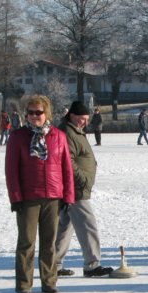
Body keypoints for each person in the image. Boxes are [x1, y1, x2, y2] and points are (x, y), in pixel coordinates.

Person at [5, 95, 75, 293]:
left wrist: (68, 197)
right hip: (28, 198)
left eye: (39, 112)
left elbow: (67, 169)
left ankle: (49, 281)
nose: (35, 116)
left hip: (53, 196)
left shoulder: (58, 136)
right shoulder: (18, 137)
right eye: (31, 112)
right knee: (26, 243)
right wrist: (15, 197)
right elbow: (11, 170)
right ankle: (24, 285)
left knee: (49, 243)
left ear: (47, 114)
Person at [55, 101, 113, 278]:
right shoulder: (67, 132)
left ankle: (53, 265)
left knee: (65, 226)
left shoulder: (76, 131)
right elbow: (67, 161)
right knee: (88, 224)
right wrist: (83, 179)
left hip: (76, 187)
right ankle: (92, 265)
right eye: (82, 118)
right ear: (72, 115)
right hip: (75, 188)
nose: (84, 122)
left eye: (87, 119)